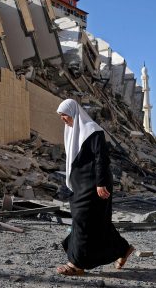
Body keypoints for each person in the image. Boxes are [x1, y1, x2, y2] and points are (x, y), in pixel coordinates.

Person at [55, 99, 134, 276]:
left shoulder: (93, 130)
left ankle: (77, 263)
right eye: (60, 116)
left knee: (83, 221)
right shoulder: (72, 131)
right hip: (78, 185)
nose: (63, 119)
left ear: (74, 112)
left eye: (64, 115)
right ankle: (123, 248)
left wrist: (101, 183)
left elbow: (101, 159)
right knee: (95, 222)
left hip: (93, 185)